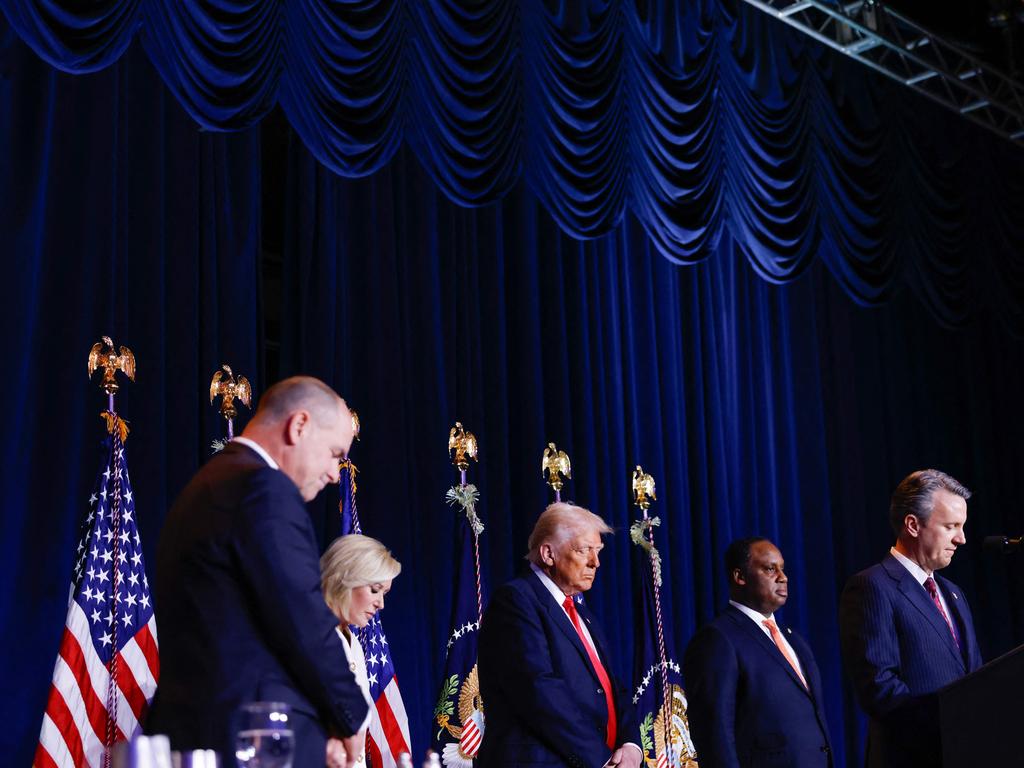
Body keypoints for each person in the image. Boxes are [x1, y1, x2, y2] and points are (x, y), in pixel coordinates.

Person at [147, 376, 370, 768]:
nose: (336, 474)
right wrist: (352, 717)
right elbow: (303, 620)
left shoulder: (208, 485)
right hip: (254, 742)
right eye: (335, 453)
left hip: (202, 735)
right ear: (299, 425)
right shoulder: (264, 490)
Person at [477, 502, 641, 768]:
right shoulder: (516, 601)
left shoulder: (580, 612)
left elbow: (612, 687)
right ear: (548, 554)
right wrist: (600, 759)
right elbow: (538, 689)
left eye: (598, 551)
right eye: (584, 550)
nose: (595, 562)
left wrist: (631, 746)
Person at [839, 469, 983, 768]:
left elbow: (976, 678)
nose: (962, 538)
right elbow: (879, 687)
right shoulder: (872, 586)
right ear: (913, 525)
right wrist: (949, 727)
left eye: (962, 526)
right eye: (951, 526)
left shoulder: (953, 593)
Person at [683, 538, 832, 768]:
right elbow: (714, 734)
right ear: (740, 577)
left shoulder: (793, 638)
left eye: (782, 569)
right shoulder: (717, 640)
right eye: (770, 569)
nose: (783, 577)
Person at [319, 534, 401, 760]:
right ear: (345, 579)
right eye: (375, 590)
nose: (380, 603)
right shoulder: (313, 636)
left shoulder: (352, 640)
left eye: (384, 594)